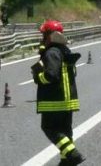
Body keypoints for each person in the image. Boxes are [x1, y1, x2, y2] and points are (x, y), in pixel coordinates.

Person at [31, 20, 85, 165]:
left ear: (50, 36)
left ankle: (73, 155)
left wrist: (38, 76)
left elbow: (51, 76)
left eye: (44, 34)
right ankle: (66, 161)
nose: (42, 37)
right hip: (67, 101)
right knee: (65, 132)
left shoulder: (52, 52)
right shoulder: (65, 51)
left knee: (49, 128)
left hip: (54, 101)